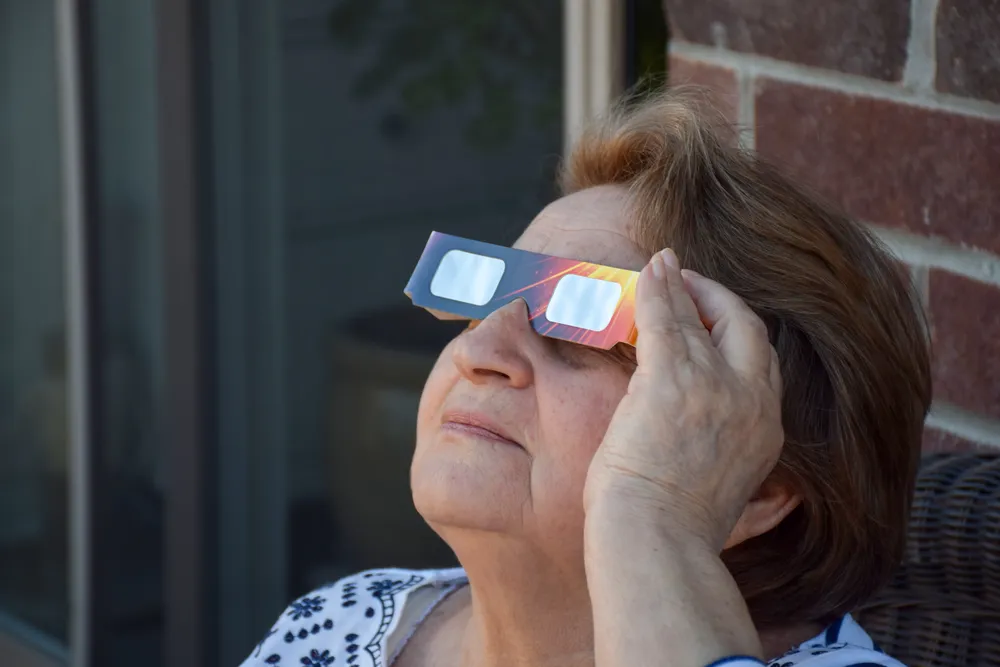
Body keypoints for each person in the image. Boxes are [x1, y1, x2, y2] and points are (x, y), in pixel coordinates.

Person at [241, 89, 931, 667]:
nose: (483, 346)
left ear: (759, 485)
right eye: (484, 298)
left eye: (579, 323)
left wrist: (656, 518)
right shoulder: (339, 626)